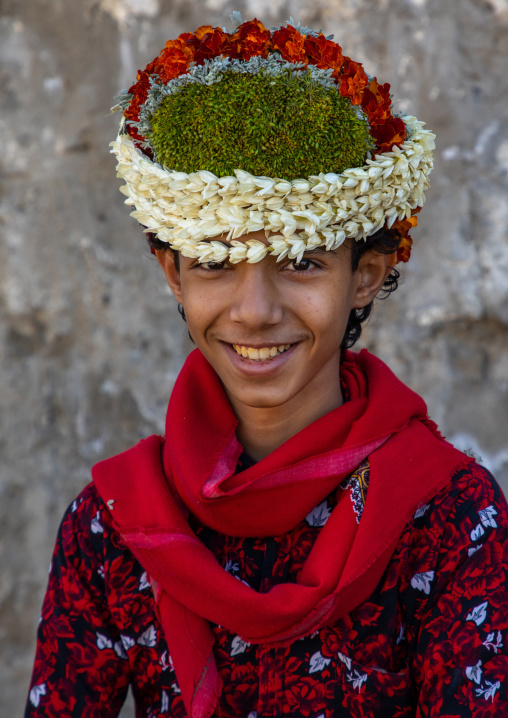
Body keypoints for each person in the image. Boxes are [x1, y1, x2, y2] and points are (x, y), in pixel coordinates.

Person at [25, 15, 508, 718]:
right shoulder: (113, 528)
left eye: (302, 262)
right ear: (173, 274)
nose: (254, 311)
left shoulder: (449, 520)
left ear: (366, 277)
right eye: (217, 262)